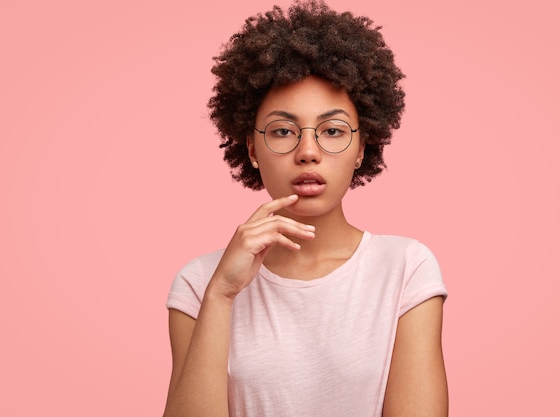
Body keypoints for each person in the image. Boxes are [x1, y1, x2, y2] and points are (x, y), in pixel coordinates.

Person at [163, 1, 448, 416]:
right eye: (283, 131)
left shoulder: (406, 269)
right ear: (252, 149)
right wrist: (222, 294)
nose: (308, 152)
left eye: (333, 131)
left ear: (361, 148)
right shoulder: (199, 283)